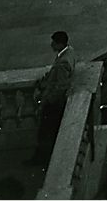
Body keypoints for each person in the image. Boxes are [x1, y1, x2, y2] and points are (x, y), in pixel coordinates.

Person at [27, 31, 76, 167]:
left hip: (54, 105)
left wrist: (47, 100)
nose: (51, 45)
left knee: (45, 132)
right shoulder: (69, 52)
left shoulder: (63, 62)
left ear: (60, 44)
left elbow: (60, 86)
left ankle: (41, 159)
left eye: (54, 42)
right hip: (58, 103)